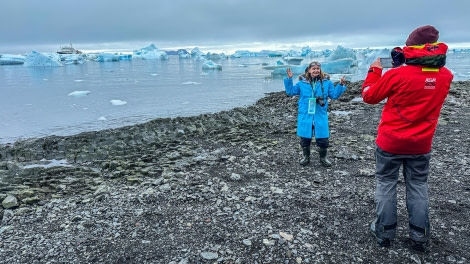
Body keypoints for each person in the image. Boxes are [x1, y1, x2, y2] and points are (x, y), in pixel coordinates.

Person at [362, 25, 454, 252]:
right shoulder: (446, 76)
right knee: (418, 186)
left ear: (411, 47)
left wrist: (375, 72)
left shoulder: (396, 75)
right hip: (421, 143)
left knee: (386, 183)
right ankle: (419, 237)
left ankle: (384, 232)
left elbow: (369, 96)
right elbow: (424, 78)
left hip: (391, 142)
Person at [284, 62, 346, 167]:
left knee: (323, 138)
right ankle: (306, 157)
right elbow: (290, 92)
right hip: (305, 114)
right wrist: (289, 79)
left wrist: (340, 85)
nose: (316, 70)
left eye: (318, 68)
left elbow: (334, 95)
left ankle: (323, 158)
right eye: (313, 69)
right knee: (305, 138)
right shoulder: (301, 83)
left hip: (320, 114)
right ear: (309, 70)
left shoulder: (327, 83)